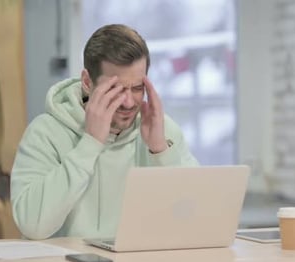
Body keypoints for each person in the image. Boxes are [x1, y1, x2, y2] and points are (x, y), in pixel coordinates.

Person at [10, 24, 199, 240]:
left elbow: (194, 219)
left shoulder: (161, 129)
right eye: (115, 90)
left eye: (138, 88)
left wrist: (161, 152)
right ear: (88, 82)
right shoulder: (44, 133)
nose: (128, 102)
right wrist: (90, 144)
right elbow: (33, 226)